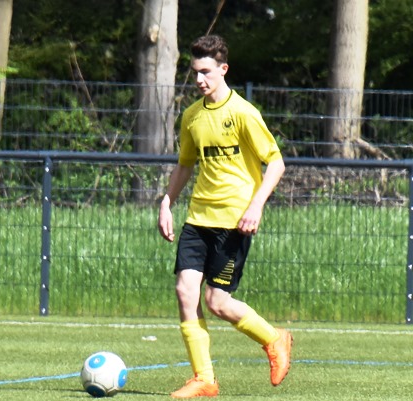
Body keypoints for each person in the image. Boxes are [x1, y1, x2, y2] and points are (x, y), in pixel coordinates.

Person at [157, 34, 292, 398]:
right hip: (198, 219)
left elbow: (276, 163)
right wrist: (167, 202)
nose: (199, 79)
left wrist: (256, 205)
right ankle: (204, 379)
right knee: (185, 291)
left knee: (217, 302)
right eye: (195, 72)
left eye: (205, 72)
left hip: (234, 222)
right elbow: (185, 165)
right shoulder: (192, 116)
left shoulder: (244, 113)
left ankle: (274, 338)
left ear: (223, 69)